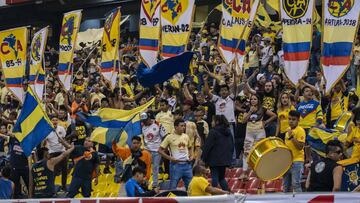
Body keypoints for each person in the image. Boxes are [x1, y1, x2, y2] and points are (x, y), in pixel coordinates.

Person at [241, 94, 277, 179]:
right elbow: (243, 121)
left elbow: (274, 115)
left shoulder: (263, 108)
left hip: (260, 132)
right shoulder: (247, 109)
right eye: (252, 99)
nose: (253, 100)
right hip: (249, 132)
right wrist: (250, 111)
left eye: (255, 99)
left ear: (258, 100)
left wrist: (266, 122)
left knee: (261, 152)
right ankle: (244, 173)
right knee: (246, 152)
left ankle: (261, 171)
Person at [158, 119, 193, 190]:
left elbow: (190, 147)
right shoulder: (169, 137)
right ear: (176, 127)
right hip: (176, 165)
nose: (183, 127)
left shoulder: (186, 136)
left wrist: (191, 155)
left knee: (190, 187)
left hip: (187, 164)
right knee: (173, 187)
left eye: (184, 126)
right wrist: (170, 158)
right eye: (181, 126)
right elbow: (159, 150)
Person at [201, 115, 233, 191]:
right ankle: (228, 193)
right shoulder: (228, 132)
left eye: (212, 121)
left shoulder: (213, 132)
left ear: (217, 122)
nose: (211, 123)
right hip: (224, 159)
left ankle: (214, 196)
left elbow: (207, 146)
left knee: (215, 177)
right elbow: (232, 145)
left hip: (214, 159)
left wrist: (203, 158)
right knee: (221, 178)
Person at [140, 112, 166, 188]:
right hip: (147, 150)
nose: (144, 122)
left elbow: (165, 136)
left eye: (145, 120)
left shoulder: (158, 125)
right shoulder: (142, 126)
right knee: (146, 167)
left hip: (157, 150)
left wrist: (163, 148)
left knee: (155, 167)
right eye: (142, 121)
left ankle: (155, 184)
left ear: (149, 118)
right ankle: (145, 183)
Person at [283, 110, 305, 193]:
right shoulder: (287, 130)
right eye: (289, 119)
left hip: (297, 161)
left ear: (298, 120)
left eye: (293, 119)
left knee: (296, 184)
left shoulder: (300, 130)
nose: (291, 121)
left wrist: (292, 136)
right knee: (285, 186)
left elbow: (300, 147)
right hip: (287, 162)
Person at [45, 116, 68, 191]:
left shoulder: (61, 128)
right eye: (53, 120)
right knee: (53, 171)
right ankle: (51, 187)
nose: (54, 121)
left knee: (64, 170)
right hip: (52, 153)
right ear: (50, 121)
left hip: (62, 152)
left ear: (58, 121)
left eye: (56, 120)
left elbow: (65, 139)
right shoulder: (47, 130)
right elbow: (45, 143)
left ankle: (64, 186)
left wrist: (63, 143)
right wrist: (47, 152)